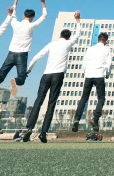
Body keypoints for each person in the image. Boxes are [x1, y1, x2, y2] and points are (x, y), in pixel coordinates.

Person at [15, 11, 82, 143]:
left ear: (59, 35)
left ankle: (29, 127)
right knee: (51, 103)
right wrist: (78, 20)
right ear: (68, 37)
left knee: (38, 101)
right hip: (58, 76)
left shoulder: (52, 44)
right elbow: (78, 34)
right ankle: (43, 133)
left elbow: (37, 56)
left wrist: (28, 70)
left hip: (46, 75)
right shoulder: (68, 44)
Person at [0, 0, 48, 97]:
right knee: (22, 78)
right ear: (32, 17)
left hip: (11, 53)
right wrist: (43, 2)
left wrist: (16, 0)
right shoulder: (31, 26)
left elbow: (13, 14)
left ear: (24, 15)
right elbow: (44, 16)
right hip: (22, 55)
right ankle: (15, 80)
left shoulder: (16, 24)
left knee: (1, 76)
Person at [72, 32, 112, 132]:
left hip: (89, 75)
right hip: (99, 75)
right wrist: (107, 74)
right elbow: (109, 63)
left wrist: (84, 73)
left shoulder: (90, 49)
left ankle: (77, 118)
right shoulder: (107, 49)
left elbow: (84, 62)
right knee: (101, 98)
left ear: (98, 39)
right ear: (106, 41)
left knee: (84, 98)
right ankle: (95, 118)